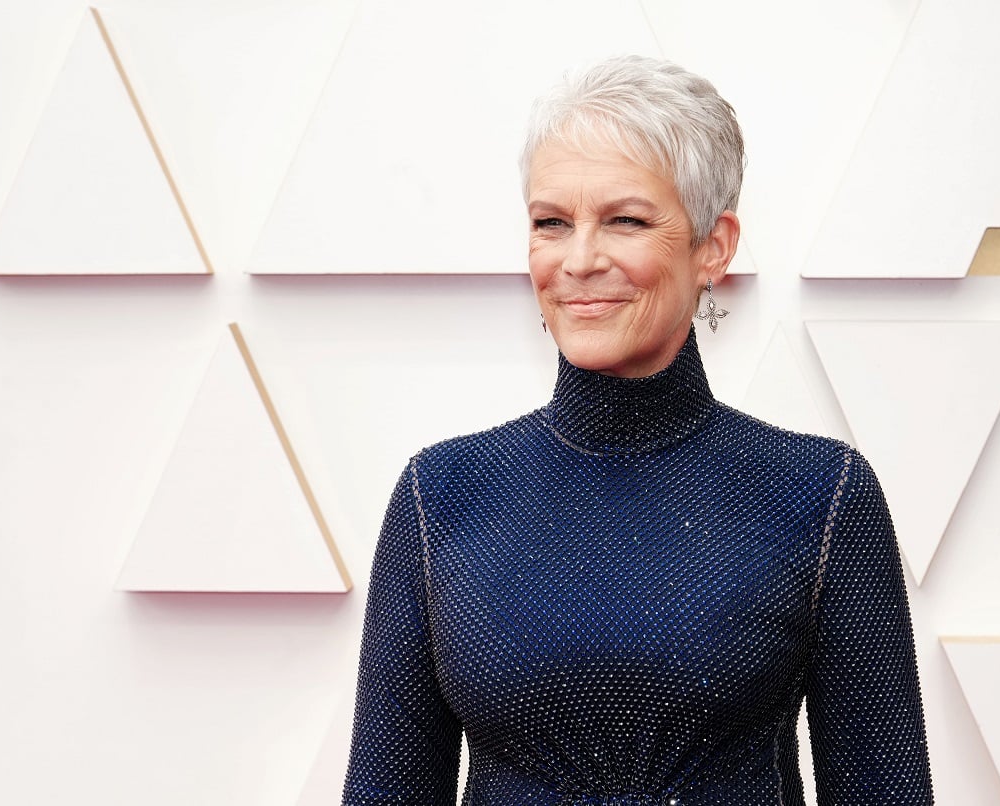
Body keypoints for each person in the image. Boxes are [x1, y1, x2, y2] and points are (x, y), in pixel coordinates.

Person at [341, 55, 932, 805]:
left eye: (625, 220)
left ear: (713, 247)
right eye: (551, 223)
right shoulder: (442, 496)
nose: (580, 260)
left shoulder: (821, 497)